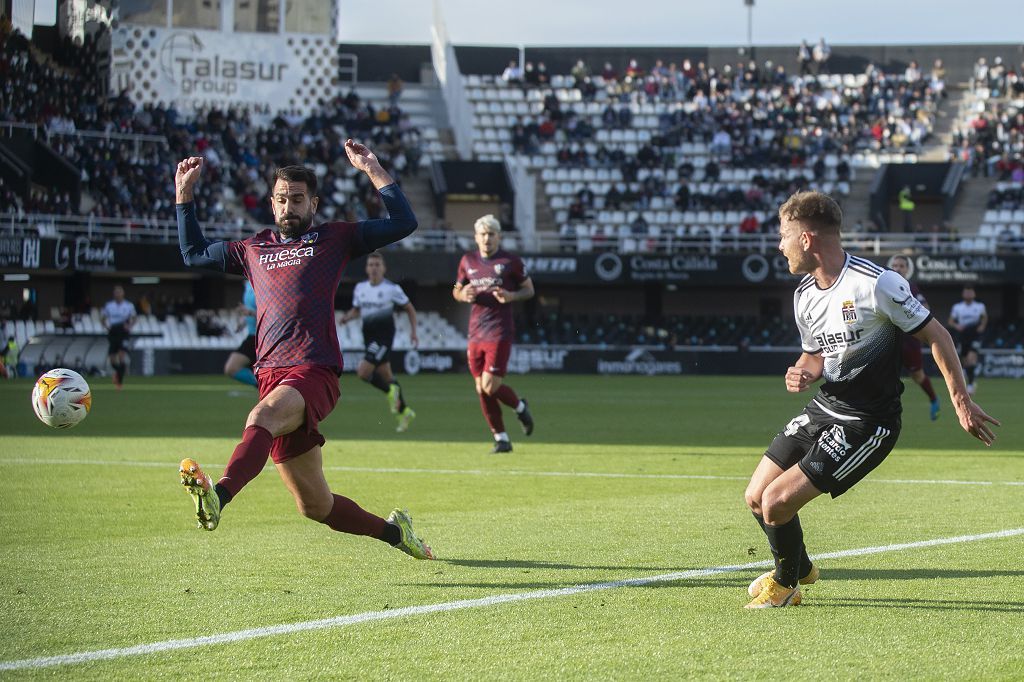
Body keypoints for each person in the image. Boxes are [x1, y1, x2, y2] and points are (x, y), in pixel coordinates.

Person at [173, 139, 433, 560]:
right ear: (271, 204)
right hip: (271, 377)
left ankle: (217, 497)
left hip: (314, 372)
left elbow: (404, 222)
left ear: (313, 203)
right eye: (281, 199)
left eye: (297, 199)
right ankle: (394, 533)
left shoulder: (335, 239)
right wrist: (184, 195)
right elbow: (194, 253)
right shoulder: (252, 248)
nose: (288, 207)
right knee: (316, 506)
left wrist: (373, 170)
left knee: (260, 417)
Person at [744, 191, 998, 609]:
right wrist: (803, 371)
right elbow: (815, 353)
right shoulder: (804, 295)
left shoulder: (876, 284)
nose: (779, 246)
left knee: (776, 503)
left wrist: (961, 402)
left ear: (806, 239)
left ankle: (786, 585)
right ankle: (801, 566)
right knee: (756, 497)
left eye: (784, 235)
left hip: (868, 422)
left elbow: (938, 336)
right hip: (825, 407)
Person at [453, 214, 536, 453]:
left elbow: (528, 290)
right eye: (483, 234)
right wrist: (463, 294)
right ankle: (502, 439)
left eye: (491, 234)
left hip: (500, 331)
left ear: (499, 237)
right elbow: (456, 290)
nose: (487, 238)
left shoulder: (511, 262)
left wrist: (512, 296)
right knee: (481, 388)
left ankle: (520, 407)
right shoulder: (467, 260)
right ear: (476, 237)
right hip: (475, 332)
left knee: (489, 386)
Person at [341, 252, 418, 432]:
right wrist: (347, 317)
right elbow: (358, 310)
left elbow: (410, 309)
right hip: (368, 337)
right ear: (367, 268)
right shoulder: (360, 288)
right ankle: (405, 411)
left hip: (383, 338)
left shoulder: (392, 289)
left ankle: (390, 392)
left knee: (363, 372)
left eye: (377, 265)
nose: (374, 268)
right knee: (386, 375)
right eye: (371, 265)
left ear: (383, 268)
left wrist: (413, 332)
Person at [888, 255, 941, 420]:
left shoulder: (911, 287)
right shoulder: (883, 285)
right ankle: (884, 409)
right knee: (885, 375)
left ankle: (934, 399)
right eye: (895, 265)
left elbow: (925, 308)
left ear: (907, 269)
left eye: (901, 266)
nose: (898, 268)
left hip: (909, 340)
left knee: (917, 375)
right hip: (889, 340)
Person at [948, 285, 987, 395]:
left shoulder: (979, 306)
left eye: (970, 292)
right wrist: (957, 326)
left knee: (971, 358)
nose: (968, 294)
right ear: (963, 294)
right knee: (965, 360)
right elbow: (951, 321)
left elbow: (984, 317)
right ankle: (971, 380)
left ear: (974, 294)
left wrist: (982, 326)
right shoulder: (957, 307)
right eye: (966, 292)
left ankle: (970, 384)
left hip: (974, 334)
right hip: (963, 335)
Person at [223, 279, 258, 388]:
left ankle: (265, 388)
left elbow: (272, 313)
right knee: (231, 368)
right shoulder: (247, 284)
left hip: (264, 337)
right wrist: (243, 321)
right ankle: (264, 388)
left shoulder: (264, 282)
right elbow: (249, 308)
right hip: (252, 336)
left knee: (232, 367)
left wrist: (251, 313)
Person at [101, 284, 136, 389]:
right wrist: (107, 327)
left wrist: (129, 326)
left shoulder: (128, 305)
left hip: (123, 332)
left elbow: (134, 318)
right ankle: (117, 373)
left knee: (121, 355)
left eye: (119, 292)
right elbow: (102, 318)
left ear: (123, 293)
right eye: (116, 292)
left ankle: (119, 382)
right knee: (112, 359)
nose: (117, 294)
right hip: (113, 331)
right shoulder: (109, 306)